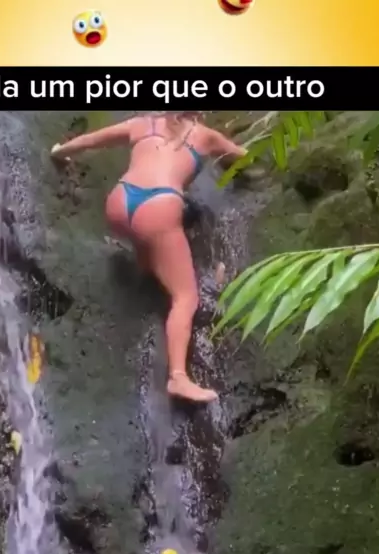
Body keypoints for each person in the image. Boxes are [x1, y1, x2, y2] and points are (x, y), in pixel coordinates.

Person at [51, 112, 246, 403]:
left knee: (150, 245)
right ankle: (178, 378)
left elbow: (92, 140)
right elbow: (244, 157)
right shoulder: (205, 136)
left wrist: (59, 151)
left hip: (120, 202)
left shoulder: (143, 123)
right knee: (186, 298)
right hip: (159, 206)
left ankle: (147, 268)